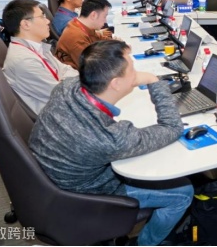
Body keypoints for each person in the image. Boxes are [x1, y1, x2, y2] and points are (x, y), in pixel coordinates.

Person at [29, 40, 193, 246]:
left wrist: (129, 77)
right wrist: (154, 81)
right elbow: (173, 127)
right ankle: (145, 244)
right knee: (183, 192)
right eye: (132, 69)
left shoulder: (66, 88)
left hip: (49, 179)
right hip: (85, 195)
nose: (136, 73)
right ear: (115, 83)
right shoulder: (111, 138)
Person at [2, 0, 78, 114]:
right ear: (26, 24)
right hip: (58, 114)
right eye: (42, 17)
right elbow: (60, 94)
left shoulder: (37, 46)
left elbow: (65, 69)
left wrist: (63, 80)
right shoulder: (24, 60)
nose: (48, 21)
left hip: (63, 105)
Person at [56, 0, 114, 70]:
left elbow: (99, 39)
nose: (105, 21)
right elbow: (91, 68)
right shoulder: (75, 36)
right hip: (76, 75)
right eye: (104, 16)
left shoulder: (81, 25)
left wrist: (118, 44)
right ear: (93, 15)